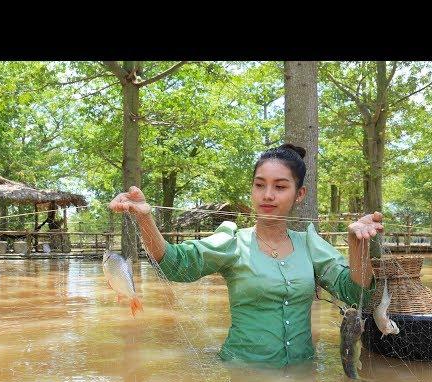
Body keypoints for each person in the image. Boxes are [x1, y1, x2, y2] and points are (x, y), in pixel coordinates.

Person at [108, 144, 382, 367]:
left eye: (280, 187)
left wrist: (358, 245)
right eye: (260, 185)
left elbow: (358, 294)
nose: (268, 195)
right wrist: (145, 219)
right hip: (244, 373)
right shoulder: (233, 242)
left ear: (300, 194)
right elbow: (175, 265)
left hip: (302, 373)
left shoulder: (310, 244)